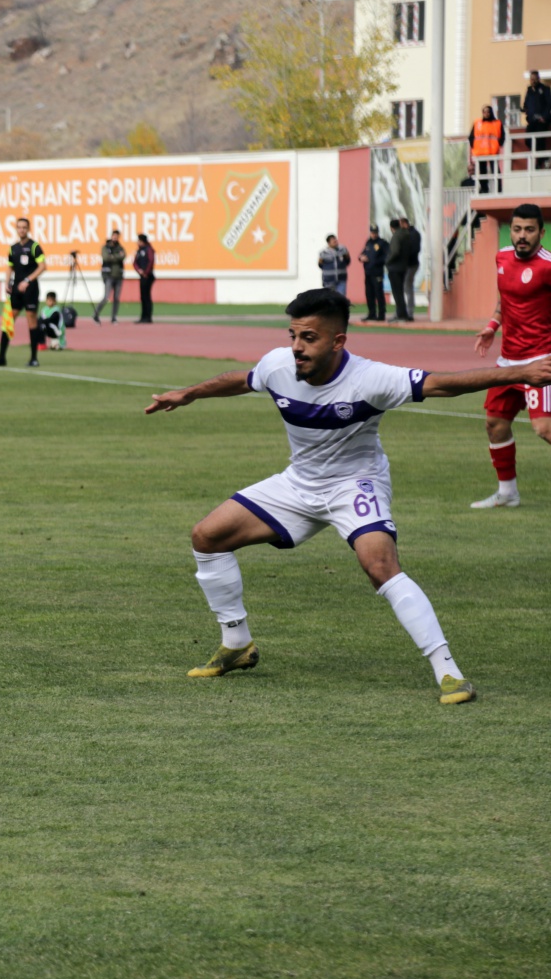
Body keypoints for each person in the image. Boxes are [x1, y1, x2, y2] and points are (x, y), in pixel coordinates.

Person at [144, 288, 551, 705]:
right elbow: (245, 380)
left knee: (380, 565)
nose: (297, 348)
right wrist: (190, 392)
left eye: (309, 338)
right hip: (298, 484)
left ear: (338, 341)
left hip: (356, 484)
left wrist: (521, 373)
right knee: (207, 537)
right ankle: (236, 644)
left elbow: (442, 385)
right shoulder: (279, 365)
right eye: (293, 336)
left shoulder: (371, 379)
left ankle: (448, 671)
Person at [470, 202, 551, 509]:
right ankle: (508, 493)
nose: (522, 236)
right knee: (494, 423)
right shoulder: (502, 257)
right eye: (517, 229)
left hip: (540, 362)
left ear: (541, 232)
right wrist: (492, 326)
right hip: (507, 362)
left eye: (529, 230)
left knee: (544, 428)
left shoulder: (547, 266)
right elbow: (505, 299)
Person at [0, 217, 47, 367]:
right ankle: (1, 358)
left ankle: (34, 358)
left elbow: (42, 266)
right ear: (16, 229)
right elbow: (10, 267)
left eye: (24, 227)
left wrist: (27, 281)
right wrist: (7, 282)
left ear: (28, 229)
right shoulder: (13, 248)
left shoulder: (34, 246)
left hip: (30, 290)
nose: (22, 230)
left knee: (31, 321)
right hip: (16, 290)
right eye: (19, 227)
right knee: (9, 321)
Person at [93, 229, 125, 324]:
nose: (115, 238)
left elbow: (123, 256)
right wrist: (117, 256)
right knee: (106, 297)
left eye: (117, 236)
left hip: (118, 275)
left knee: (116, 298)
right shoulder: (106, 247)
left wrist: (113, 256)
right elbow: (106, 257)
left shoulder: (120, 247)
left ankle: (114, 317)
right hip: (108, 275)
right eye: (114, 236)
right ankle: (96, 313)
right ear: (111, 236)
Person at [358, 224, 389, 322]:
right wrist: (361, 258)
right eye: (372, 232)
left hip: (377, 272)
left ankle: (381, 314)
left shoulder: (382, 243)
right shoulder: (368, 242)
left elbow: (386, 257)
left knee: (378, 293)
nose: (374, 234)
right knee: (369, 293)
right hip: (368, 272)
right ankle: (371, 314)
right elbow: (362, 254)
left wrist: (375, 261)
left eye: (375, 233)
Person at [470, 104, 503, 194]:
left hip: (492, 151)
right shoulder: (477, 123)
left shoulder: (497, 123)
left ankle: (499, 188)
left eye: (488, 112)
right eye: (484, 112)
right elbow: (471, 137)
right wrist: (474, 147)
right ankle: (484, 189)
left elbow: (502, 137)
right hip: (480, 152)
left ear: (491, 112)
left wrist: (498, 145)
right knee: (482, 172)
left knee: (495, 170)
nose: (486, 114)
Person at [524, 70, 551, 168]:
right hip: (532, 121)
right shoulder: (529, 91)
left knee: (540, 140)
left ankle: (540, 162)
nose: (533, 81)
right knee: (528, 140)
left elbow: (549, 104)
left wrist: (545, 117)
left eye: (535, 79)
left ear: (538, 79)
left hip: (543, 120)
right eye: (532, 79)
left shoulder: (545, 89)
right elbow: (526, 104)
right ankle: (541, 158)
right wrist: (527, 114)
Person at [386, 219, 410, 322]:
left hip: (395, 267)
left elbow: (395, 251)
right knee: (400, 291)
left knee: (397, 292)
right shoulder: (406, 234)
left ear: (391, 228)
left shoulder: (396, 236)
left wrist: (387, 260)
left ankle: (400, 315)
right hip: (403, 266)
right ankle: (403, 314)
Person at [400, 218, 422, 320]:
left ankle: (409, 312)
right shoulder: (411, 233)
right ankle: (407, 311)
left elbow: (415, 249)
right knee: (407, 287)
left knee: (407, 287)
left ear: (405, 224)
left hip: (411, 265)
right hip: (408, 264)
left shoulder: (413, 234)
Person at [133, 233, 155, 323]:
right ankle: (143, 316)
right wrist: (139, 271)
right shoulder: (139, 251)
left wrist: (146, 272)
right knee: (142, 296)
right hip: (142, 276)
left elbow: (151, 261)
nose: (137, 242)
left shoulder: (148, 249)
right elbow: (134, 262)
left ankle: (148, 317)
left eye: (139, 241)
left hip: (148, 276)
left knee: (146, 296)